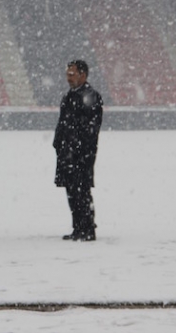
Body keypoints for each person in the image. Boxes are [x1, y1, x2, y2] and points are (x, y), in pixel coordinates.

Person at [53, 60, 103, 242]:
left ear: (83, 75)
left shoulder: (90, 96)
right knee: (72, 191)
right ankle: (78, 227)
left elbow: (91, 127)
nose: (68, 77)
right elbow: (63, 124)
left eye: (72, 74)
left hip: (81, 153)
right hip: (67, 152)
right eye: (67, 74)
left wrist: (78, 146)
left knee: (82, 191)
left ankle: (88, 228)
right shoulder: (70, 96)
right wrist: (58, 144)